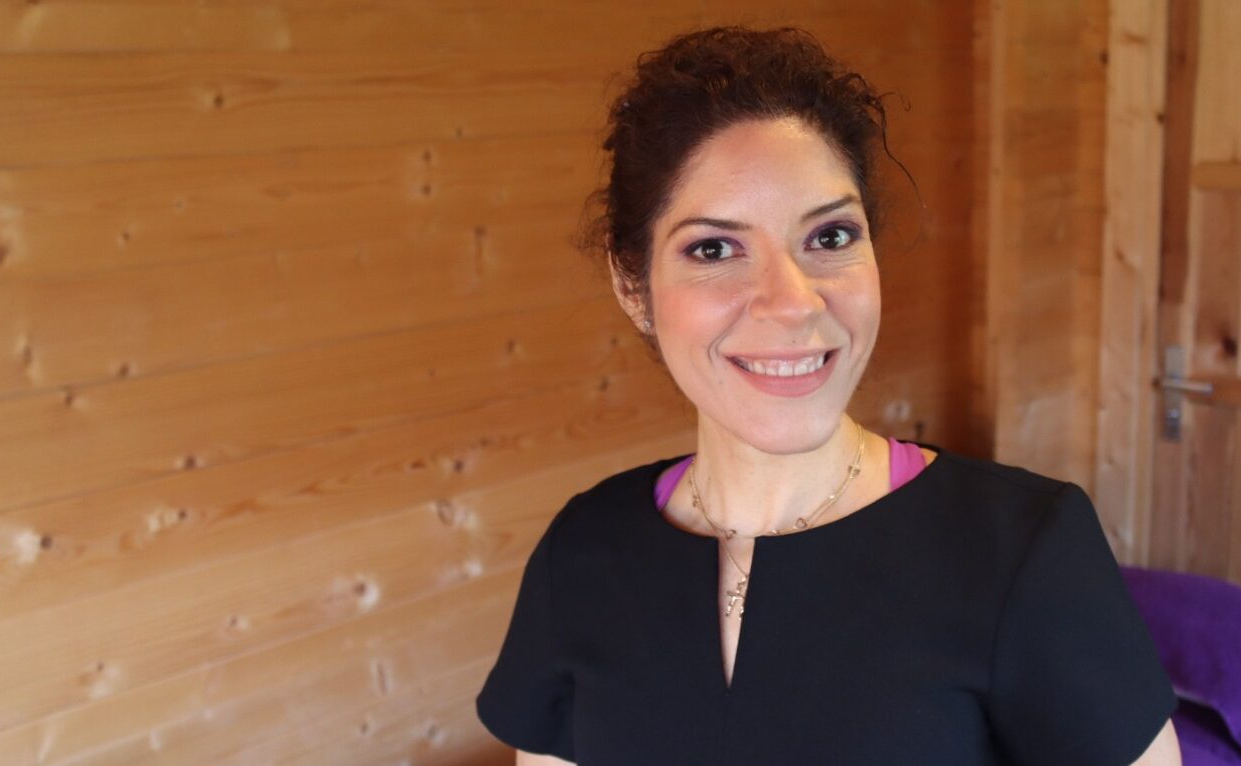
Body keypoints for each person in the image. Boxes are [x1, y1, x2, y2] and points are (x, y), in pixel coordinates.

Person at [475, 26, 1183, 765]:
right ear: (633, 286)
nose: (793, 302)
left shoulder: (1022, 548)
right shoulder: (582, 552)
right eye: (714, 248)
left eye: (830, 237)